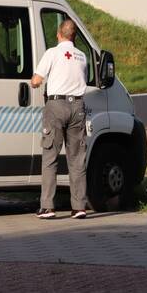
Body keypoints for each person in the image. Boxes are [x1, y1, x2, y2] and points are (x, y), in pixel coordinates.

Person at [30, 18, 89, 219]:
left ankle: (47, 207)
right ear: (74, 37)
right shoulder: (82, 56)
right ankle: (79, 207)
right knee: (77, 159)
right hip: (78, 107)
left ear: (58, 34)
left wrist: (33, 82)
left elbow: (37, 80)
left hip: (56, 107)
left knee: (50, 157)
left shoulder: (52, 53)